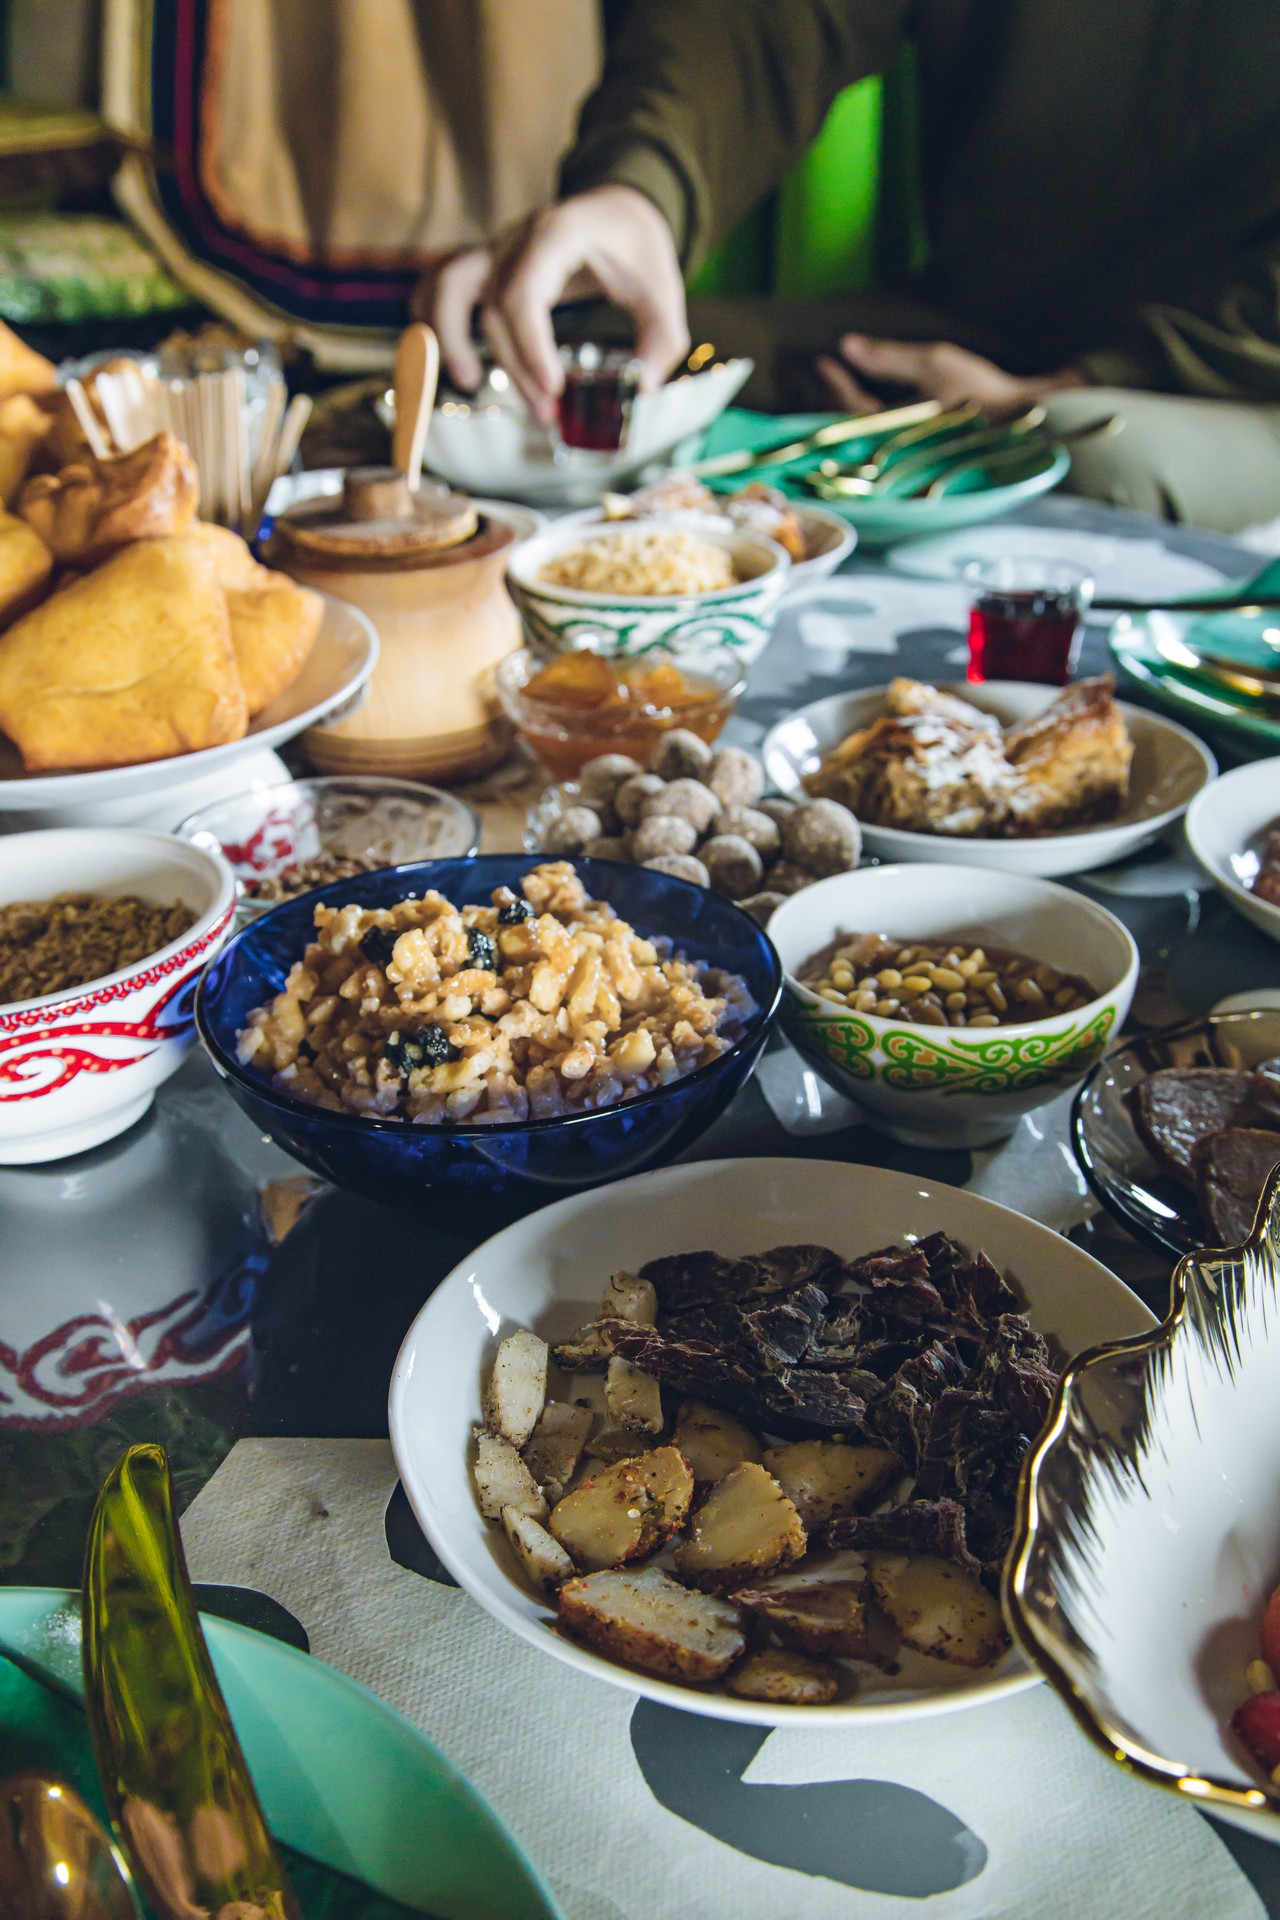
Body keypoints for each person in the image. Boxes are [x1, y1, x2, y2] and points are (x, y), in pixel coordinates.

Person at [420, 0, 1280, 534]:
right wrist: (638, 192)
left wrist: (1069, 383)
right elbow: (762, 25)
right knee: (584, 356)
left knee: (1081, 455)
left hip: (1229, 381)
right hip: (973, 325)